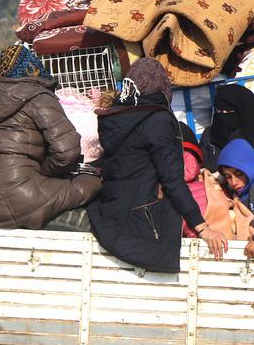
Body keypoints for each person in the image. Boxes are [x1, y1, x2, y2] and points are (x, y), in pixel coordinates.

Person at [89, 59, 227, 273]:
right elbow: (172, 180)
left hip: (111, 214)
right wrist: (202, 228)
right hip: (144, 221)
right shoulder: (157, 120)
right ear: (162, 87)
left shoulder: (113, 116)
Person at [0, 44, 101, 229]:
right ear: (32, 67)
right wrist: (44, 172)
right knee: (94, 183)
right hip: (29, 199)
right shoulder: (38, 96)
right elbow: (67, 151)